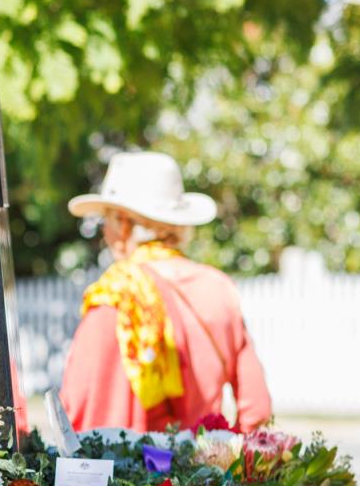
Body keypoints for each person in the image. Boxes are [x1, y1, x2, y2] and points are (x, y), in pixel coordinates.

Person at [60, 151, 273, 433]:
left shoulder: (115, 294)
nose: (104, 234)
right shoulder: (218, 287)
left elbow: (79, 408)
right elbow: (256, 411)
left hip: (129, 474)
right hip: (203, 472)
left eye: (105, 222)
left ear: (123, 224)